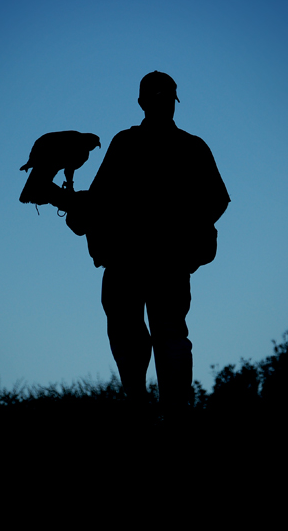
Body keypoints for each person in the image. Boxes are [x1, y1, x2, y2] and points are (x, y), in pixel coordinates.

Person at [47, 71, 230, 421]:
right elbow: (217, 201)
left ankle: (154, 410)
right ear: (145, 102)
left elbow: (216, 201)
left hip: (143, 261)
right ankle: (152, 410)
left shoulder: (166, 145)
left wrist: (188, 230)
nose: (162, 103)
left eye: (165, 98)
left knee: (153, 334)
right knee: (147, 333)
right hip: (142, 261)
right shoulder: (178, 146)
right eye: (159, 97)